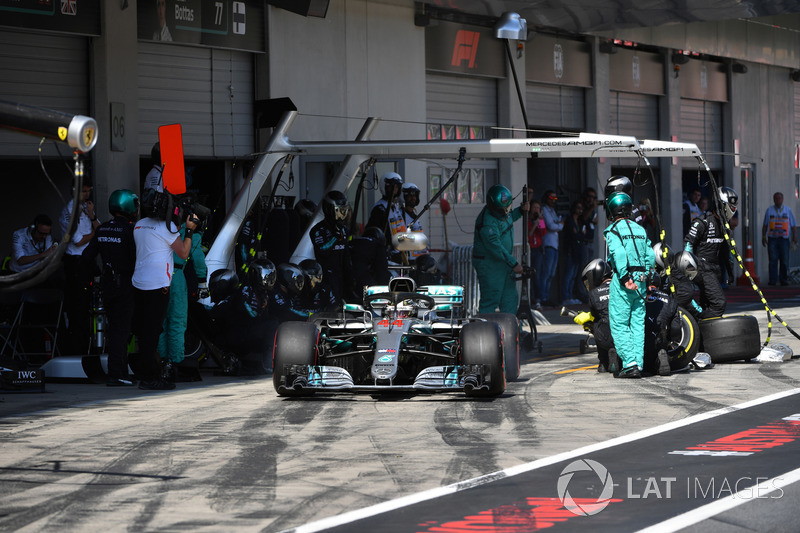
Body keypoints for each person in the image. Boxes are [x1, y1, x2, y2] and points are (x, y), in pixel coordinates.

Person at [131, 191, 198, 390]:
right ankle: (150, 377)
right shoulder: (167, 228)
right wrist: (190, 230)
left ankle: (149, 373)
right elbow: (184, 253)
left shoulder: (139, 224)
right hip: (158, 285)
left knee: (146, 332)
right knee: (153, 332)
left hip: (139, 283)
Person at [82, 190, 139, 386]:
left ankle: (121, 371)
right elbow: (136, 259)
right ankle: (117, 374)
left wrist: (98, 275)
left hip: (108, 285)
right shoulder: (130, 231)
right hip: (125, 284)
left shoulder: (103, 229)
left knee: (115, 329)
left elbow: (86, 258)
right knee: (121, 331)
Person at [603, 191, 656, 379]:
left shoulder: (613, 231)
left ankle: (630, 364)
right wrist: (648, 278)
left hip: (624, 281)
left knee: (619, 324)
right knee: (637, 324)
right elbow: (650, 256)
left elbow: (618, 254)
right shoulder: (640, 229)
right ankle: (638, 365)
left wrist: (625, 278)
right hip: (642, 280)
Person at [208, 259, 277, 375]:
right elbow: (251, 315)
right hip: (238, 335)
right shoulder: (245, 291)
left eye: (271, 275)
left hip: (246, 334)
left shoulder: (264, 293)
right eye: (266, 275)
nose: (268, 279)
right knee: (273, 324)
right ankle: (268, 360)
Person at [156, 216, 208, 370]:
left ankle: (162, 362)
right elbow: (198, 258)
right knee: (177, 321)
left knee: (161, 322)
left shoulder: (159, 229)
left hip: (157, 277)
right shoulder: (189, 234)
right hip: (176, 276)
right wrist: (202, 283)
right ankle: (175, 362)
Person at [472, 184, 529, 314]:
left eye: (507, 208)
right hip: (489, 265)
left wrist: (520, 210)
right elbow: (495, 247)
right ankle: (485, 330)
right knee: (491, 298)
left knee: (510, 298)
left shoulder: (502, 212)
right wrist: (513, 263)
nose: (505, 212)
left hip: (504, 264)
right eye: (501, 209)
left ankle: (513, 330)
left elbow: (509, 218)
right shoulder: (487, 223)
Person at [59, 180, 101, 355]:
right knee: (77, 309)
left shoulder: (87, 208)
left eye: (88, 191)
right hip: (75, 263)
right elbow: (78, 241)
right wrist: (93, 233)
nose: (87, 195)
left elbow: (100, 228)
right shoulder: (69, 211)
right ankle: (76, 349)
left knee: (89, 308)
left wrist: (92, 216)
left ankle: (89, 346)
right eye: (83, 191)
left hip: (88, 262)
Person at [684, 186, 738, 318]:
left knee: (707, 304)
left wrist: (730, 272)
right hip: (702, 268)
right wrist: (689, 270)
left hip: (715, 269)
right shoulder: (702, 222)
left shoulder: (725, 226)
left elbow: (727, 252)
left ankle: (704, 331)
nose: (733, 209)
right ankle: (700, 322)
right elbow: (688, 244)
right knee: (719, 303)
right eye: (730, 206)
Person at [572, 259, 613, 373]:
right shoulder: (622, 288)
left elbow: (595, 316)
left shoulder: (594, 294)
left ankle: (603, 362)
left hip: (606, 338)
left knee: (596, 323)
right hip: (627, 336)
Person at [310, 190, 352, 303]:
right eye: (339, 211)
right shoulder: (317, 230)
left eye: (344, 211)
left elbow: (346, 254)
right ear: (329, 209)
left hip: (342, 276)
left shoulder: (345, 230)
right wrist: (334, 238)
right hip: (326, 277)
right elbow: (321, 251)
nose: (342, 215)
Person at [366, 172, 405, 259]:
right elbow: (373, 231)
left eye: (397, 187)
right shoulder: (380, 208)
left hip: (398, 253)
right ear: (384, 187)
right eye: (391, 187)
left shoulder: (395, 206)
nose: (394, 190)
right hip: (386, 254)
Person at [762, 191, 797, 286]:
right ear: (773, 200)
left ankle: (783, 280)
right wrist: (763, 236)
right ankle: (772, 280)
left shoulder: (787, 210)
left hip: (784, 239)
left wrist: (795, 236)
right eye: (776, 198)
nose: (778, 200)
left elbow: (793, 225)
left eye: (779, 198)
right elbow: (765, 225)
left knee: (784, 261)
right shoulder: (769, 210)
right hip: (772, 239)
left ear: (782, 199)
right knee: (773, 260)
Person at [349, 226, 391, 299]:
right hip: (363, 282)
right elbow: (382, 271)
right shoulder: (377, 245)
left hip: (345, 280)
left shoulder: (353, 242)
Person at [560, 200, 587, 306]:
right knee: (568, 274)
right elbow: (573, 235)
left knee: (573, 275)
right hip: (570, 250)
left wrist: (579, 234)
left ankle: (570, 296)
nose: (580, 210)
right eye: (578, 208)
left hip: (577, 251)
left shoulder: (579, 221)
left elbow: (583, 235)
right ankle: (565, 297)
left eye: (581, 208)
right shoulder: (570, 220)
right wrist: (580, 234)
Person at [540, 190, 563, 307]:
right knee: (546, 272)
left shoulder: (552, 210)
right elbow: (551, 225)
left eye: (555, 199)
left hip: (555, 244)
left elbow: (555, 225)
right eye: (551, 198)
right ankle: (542, 297)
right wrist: (560, 225)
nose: (553, 201)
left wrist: (557, 225)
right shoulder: (544, 209)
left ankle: (546, 296)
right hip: (548, 244)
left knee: (551, 273)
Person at [400, 182, 429, 260]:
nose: (413, 198)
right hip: (409, 258)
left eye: (415, 196)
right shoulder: (400, 215)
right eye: (410, 196)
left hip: (419, 255)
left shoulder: (414, 214)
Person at [527, 199, 546, 309]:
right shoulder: (528, 220)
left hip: (538, 249)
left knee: (537, 274)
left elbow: (543, 232)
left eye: (538, 208)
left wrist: (540, 219)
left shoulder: (540, 219)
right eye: (534, 207)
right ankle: (530, 298)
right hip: (530, 249)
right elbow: (529, 234)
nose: (536, 210)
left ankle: (538, 299)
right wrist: (535, 225)